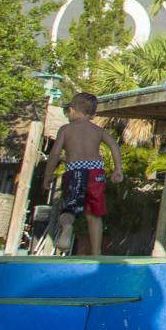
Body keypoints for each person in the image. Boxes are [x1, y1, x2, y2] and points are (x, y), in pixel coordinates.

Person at [42, 92, 124, 256]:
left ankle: (67, 226)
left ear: (72, 111)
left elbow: (55, 153)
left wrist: (47, 175)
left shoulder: (65, 129)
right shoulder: (98, 130)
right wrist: (118, 169)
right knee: (94, 214)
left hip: (74, 170)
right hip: (95, 172)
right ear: (93, 115)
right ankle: (96, 252)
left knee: (69, 210)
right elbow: (114, 145)